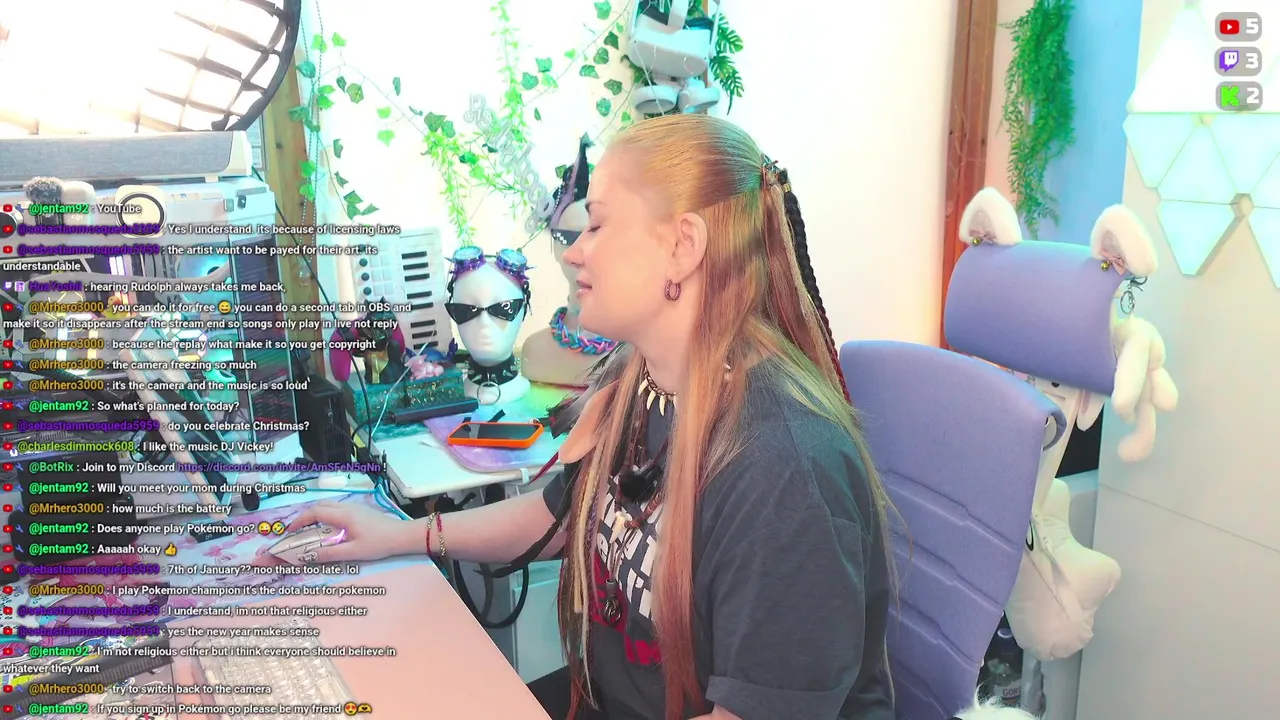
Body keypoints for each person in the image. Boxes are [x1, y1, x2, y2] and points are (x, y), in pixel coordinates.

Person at [286, 114, 897, 720]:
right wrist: (399, 534)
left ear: (683, 246)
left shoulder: (783, 470)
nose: (575, 252)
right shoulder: (641, 382)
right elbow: (563, 516)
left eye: (597, 225)